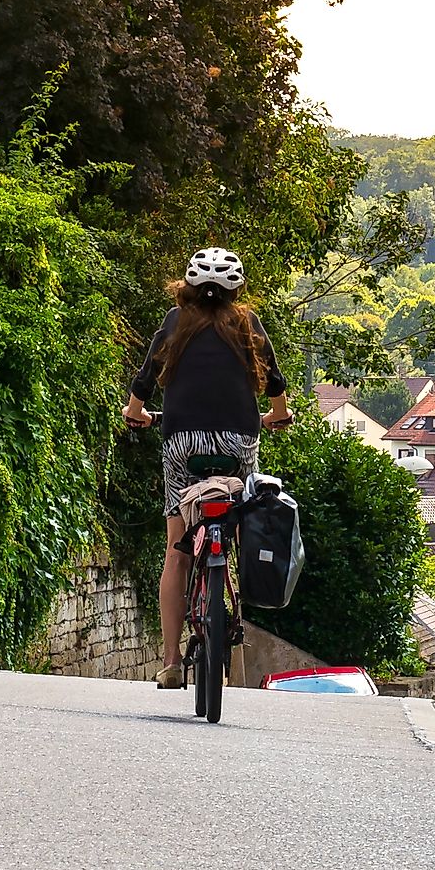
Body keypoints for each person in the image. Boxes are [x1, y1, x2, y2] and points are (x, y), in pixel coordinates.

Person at [123, 248, 293, 688]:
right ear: (237, 289)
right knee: (239, 508)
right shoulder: (248, 323)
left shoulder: (174, 323)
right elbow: (275, 382)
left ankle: (170, 662)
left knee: (176, 551)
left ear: (188, 288)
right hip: (239, 440)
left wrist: (134, 412)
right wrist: (278, 415)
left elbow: (144, 380)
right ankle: (228, 559)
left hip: (182, 443)